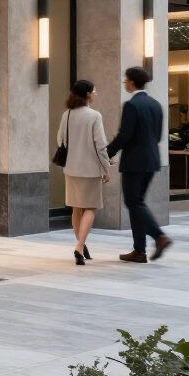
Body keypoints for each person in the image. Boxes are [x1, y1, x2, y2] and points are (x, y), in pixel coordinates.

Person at [106, 66, 172, 263]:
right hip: (152, 160)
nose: (125, 83)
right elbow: (158, 136)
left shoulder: (131, 105)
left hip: (135, 162)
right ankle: (139, 251)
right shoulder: (156, 104)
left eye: (125, 80)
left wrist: (107, 152)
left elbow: (125, 136)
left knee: (133, 202)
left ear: (132, 82)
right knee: (137, 203)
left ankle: (159, 236)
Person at [56, 79, 111, 266]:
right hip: (90, 169)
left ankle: (81, 244)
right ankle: (80, 246)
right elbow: (101, 145)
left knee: (76, 208)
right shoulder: (94, 116)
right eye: (95, 91)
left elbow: (60, 140)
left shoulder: (67, 114)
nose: (96, 94)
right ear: (87, 94)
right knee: (90, 207)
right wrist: (106, 168)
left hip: (71, 168)